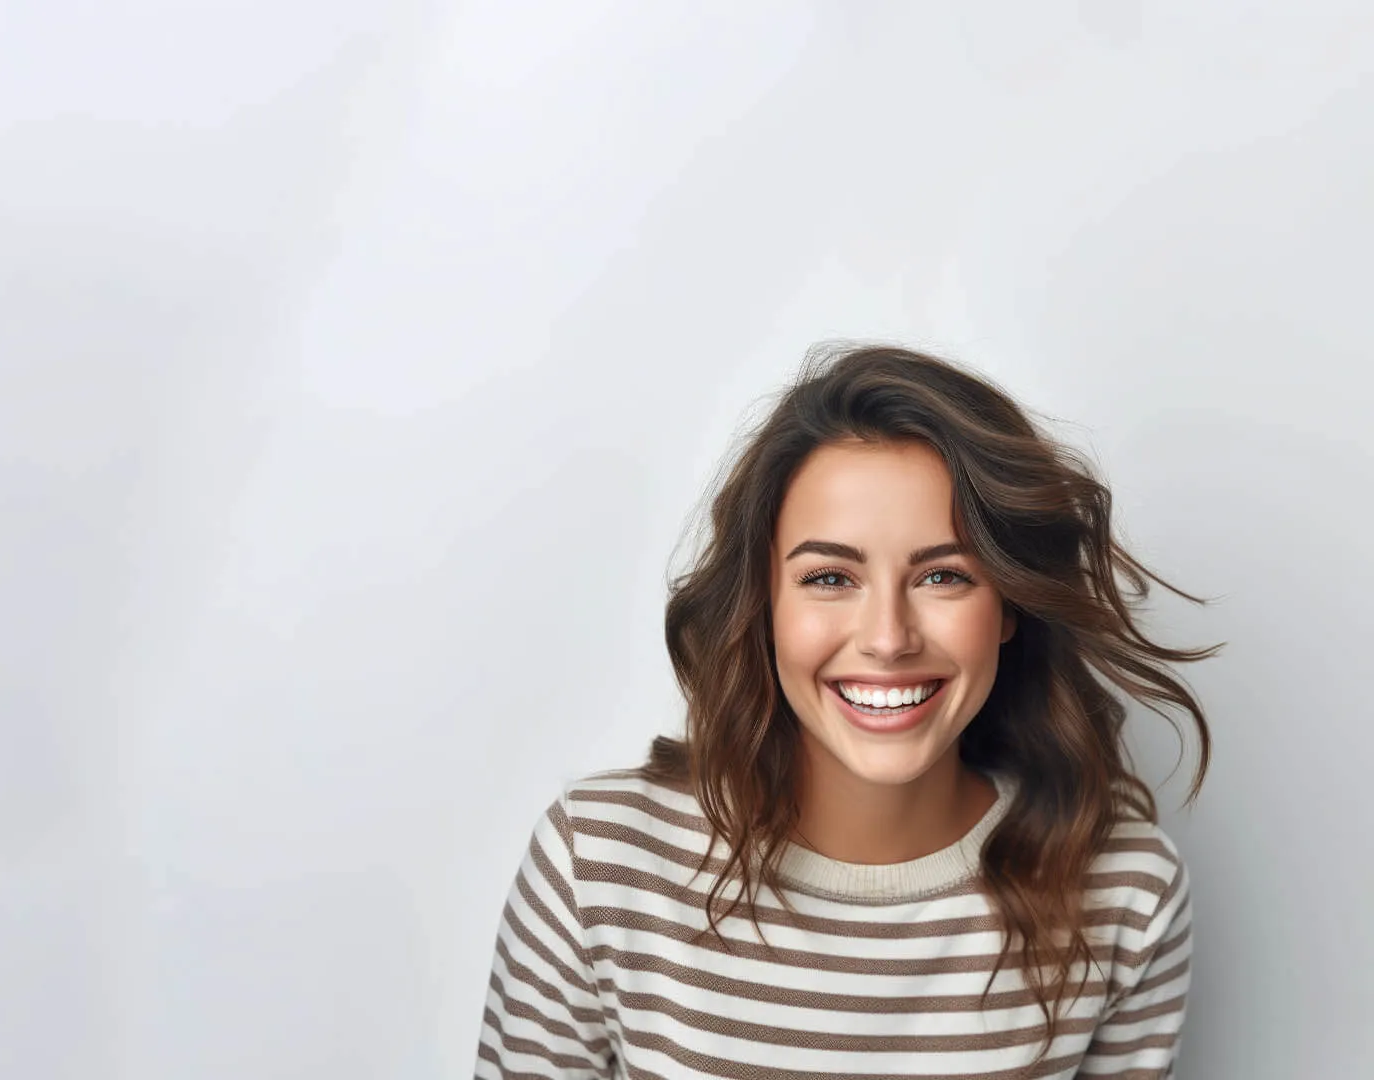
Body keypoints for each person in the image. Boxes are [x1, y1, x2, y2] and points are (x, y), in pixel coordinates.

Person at [474, 344, 1215, 1078]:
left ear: (1010, 605)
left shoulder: (1123, 891)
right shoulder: (599, 866)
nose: (888, 639)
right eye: (830, 576)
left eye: (943, 576)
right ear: (765, 603)